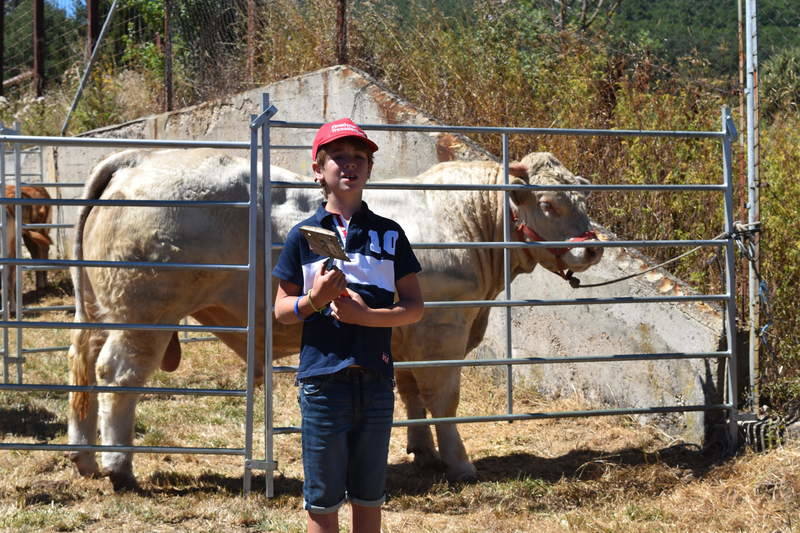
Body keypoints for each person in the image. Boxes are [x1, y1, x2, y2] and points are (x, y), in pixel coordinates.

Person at [272, 118, 424, 533]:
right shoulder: (302, 236)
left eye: (359, 157)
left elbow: (414, 308)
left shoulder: (390, 235)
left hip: (376, 381)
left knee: (369, 496)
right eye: (337, 157)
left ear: (370, 169)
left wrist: (368, 317)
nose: (349, 165)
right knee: (322, 500)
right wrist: (314, 300)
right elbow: (280, 310)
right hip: (323, 382)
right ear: (318, 169)